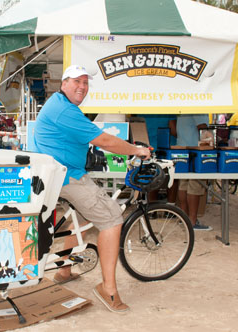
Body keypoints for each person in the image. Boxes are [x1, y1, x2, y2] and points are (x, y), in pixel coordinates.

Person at [32, 65, 150, 313]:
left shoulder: (59, 104)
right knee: (112, 219)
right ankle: (107, 289)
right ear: (64, 83)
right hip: (66, 177)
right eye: (77, 81)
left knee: (81, 221)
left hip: (57, 174)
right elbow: (104, 140)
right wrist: (136, 150)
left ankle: (64, 271)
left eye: (85, 83)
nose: (82, 87)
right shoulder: (65, 111)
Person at [171, 114, 212, 231]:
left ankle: (184, 218)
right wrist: (213, 139)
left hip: (183, 148)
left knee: (184, 184)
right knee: (195, 185)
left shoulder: (186, 104)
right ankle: (192, 221)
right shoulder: (199, 107)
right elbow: (203, 128)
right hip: (195, 150)